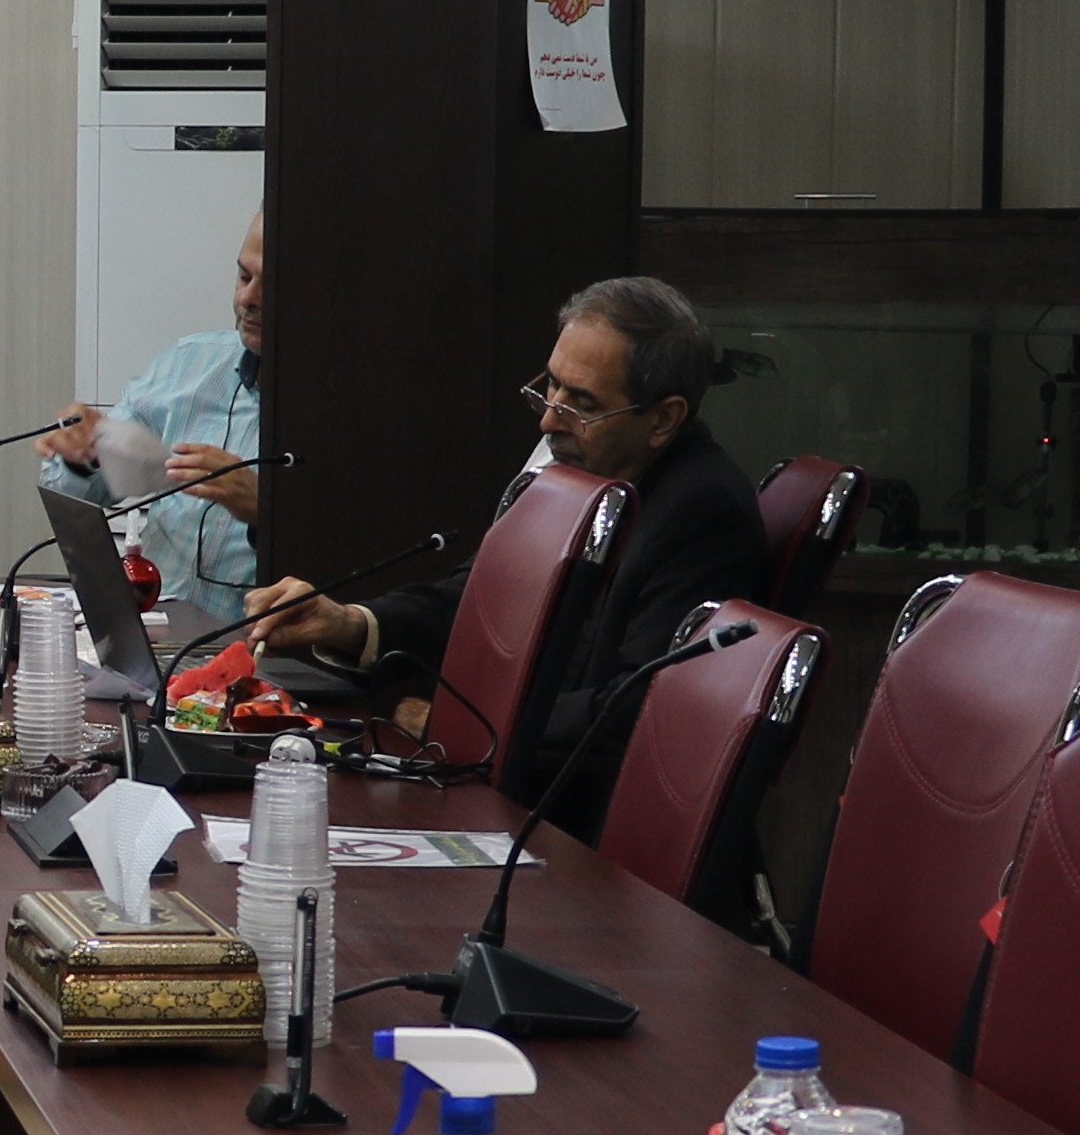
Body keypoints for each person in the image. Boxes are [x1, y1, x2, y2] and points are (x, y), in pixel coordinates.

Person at [246, 272, 768, 801]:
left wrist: (466, 726)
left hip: (575, 811)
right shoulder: (580, 468)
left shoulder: (703, 511)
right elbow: (478, 600)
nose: (548, 421)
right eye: (551, 386)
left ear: (662, 419)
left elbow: (645, 702)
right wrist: (350, 623)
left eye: (582, 404)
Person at [42, 214, 270, 641]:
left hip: (263, 651)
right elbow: (74, 495)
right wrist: (86, 455)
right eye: (243, 277)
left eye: (268, 284)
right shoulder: (188, 365)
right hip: (155, 638)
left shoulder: (357, 411)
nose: (247, 298)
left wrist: (266, 508)